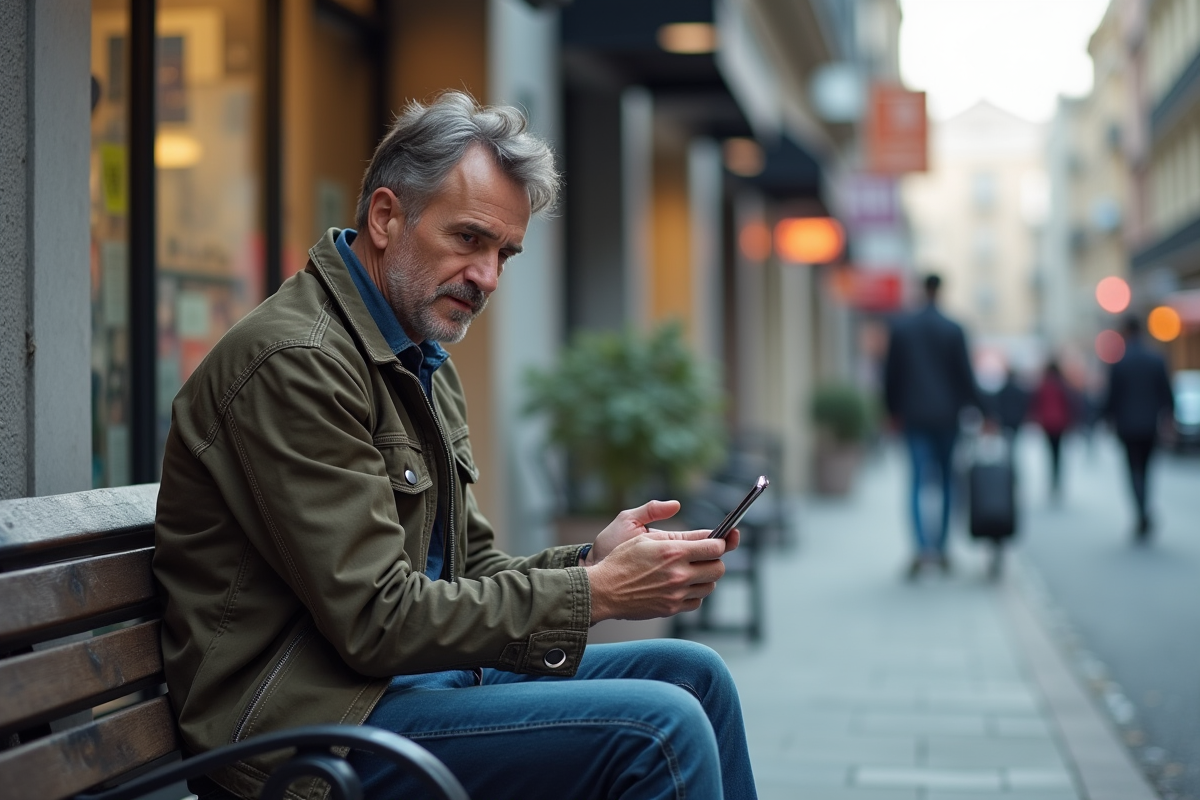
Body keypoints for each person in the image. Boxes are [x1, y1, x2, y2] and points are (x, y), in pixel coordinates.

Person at [154, 91, 756, 800]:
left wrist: (591, 562)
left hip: (403, 688)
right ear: (386, 217)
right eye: (469, 239)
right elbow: (376, 620)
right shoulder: (297, 361)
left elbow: (467, 567)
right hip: (304, 731)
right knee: (659, 729)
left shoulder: (414, 355)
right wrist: (592, 595)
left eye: (505, 252)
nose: (488, 277)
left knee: (696, 678)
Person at [884, 274, 983, 578]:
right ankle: (941, 549)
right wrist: (984, 411)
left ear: (920, 290)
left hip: (913, 418)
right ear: (940, 291)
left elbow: (890, 376)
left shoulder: (902, 328)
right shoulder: (953, 329)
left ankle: (920, 549)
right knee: (946, 484)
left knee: (916, 482)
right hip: (947, 418)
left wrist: (891, 411)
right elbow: (966, 376)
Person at [1103, 316, 1175, 541]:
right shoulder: (1156, 359)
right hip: (1150, 425)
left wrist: (1107, 419)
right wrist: (1168, 418)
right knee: (1146, 470)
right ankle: (1144, 511)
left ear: (1125, 331)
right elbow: (1167, 394)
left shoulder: (1120, 363)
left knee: (1133, 471)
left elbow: (1111, 398)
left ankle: (1141, 513)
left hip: (1127, 426)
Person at [1028, 360, 1074, 498]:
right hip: (1060, 424)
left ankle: (1052, 481)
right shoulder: (1062, 385)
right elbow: (1069, 404)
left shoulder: (1043, 385)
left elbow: (1036, 403)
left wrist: (1036, 419)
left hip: (1047, 424)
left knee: (1050, 453)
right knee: (1058, 453)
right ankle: (1057, 481)